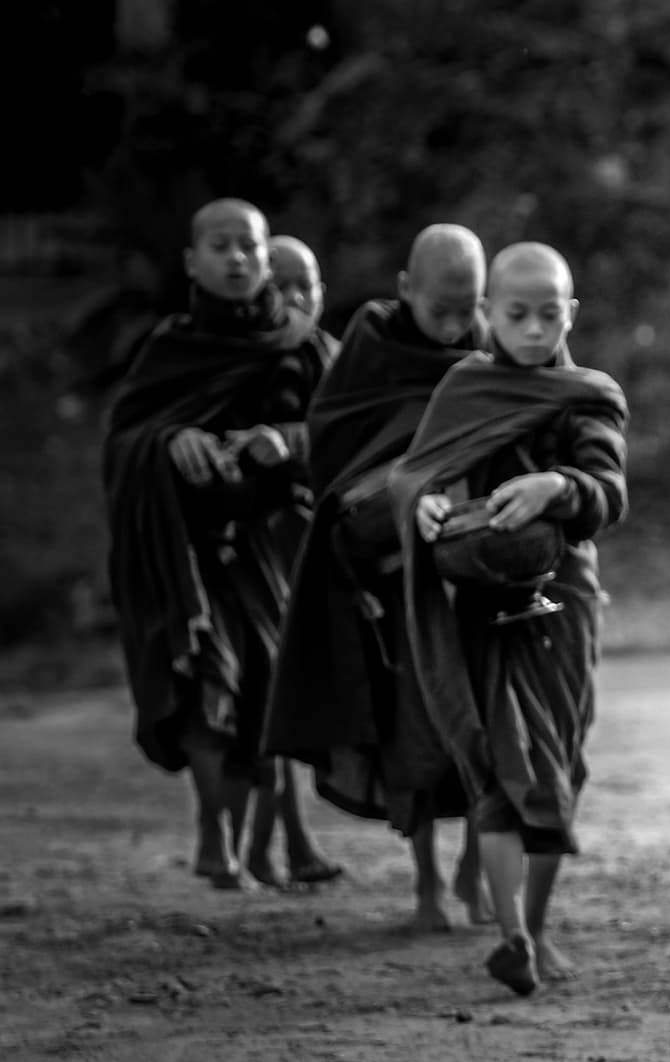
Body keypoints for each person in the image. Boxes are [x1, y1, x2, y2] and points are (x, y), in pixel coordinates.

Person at [388, 241, 629, 994]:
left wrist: (557, 486)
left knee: (553, 762)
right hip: (481, 598)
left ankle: (538, 927)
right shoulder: (465, 386)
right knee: (496, 768)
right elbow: (416, 473)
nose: (532, 329)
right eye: (516, 314)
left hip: (563, 600)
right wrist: (426, 503)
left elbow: (609, 493)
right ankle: (514, 936)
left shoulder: (588, 396)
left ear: (571, 314)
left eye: (548, 315)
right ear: (487, 312)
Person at [101, 197, 342, 890]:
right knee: (209, 682)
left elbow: (347, 434)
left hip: (273, 546)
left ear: (266, 255)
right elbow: (123, 439)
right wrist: (168, 442)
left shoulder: (304, 347)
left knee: (265, 695)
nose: (237, 258)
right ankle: (214, 826)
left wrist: (286, 442)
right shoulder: (170, 349)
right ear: (192, 261)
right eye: (221, 245)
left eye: (250, 246)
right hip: (187, 546)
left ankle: (243, 836)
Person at [264, 224, 493, 931]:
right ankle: (426, 885)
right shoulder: (371, 347)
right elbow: (333, 448)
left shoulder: (497, 345)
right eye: (440, 311)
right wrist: (397, 491)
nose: (454, 326)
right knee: (414, 737)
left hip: (476, 576)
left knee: (488, 727)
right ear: (405, 290)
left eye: (468, 309)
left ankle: (474, 868)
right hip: (394, 584)